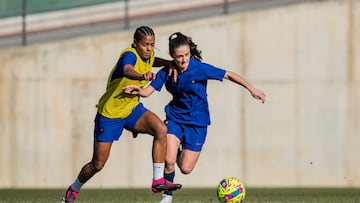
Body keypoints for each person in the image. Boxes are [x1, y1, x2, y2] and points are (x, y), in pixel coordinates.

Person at [123, 32, 266, 203]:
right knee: (168, 161)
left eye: (186, 55)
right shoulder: (167, 71)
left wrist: (252, 89)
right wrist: (139, 91)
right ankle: (167, 197)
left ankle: (175, 150)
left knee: (185, 168)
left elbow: (228, 74)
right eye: (179, 57)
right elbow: (148, 90)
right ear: (172, 56)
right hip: (175, 119)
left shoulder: (199, 68)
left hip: (198, 123)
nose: (183, 60)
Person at [62, 26, 182, 203]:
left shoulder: (148, 57)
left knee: (160, 129)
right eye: (145, 44)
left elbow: (153, 60)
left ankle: (158, 181)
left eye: (152, 45)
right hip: (110, 114)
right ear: (135, 43)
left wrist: (168, 63)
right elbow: (127, 69)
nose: (149, 48)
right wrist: (141, 75)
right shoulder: (129, 55)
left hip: (132, 109)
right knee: (98, 164)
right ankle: (74, 188)